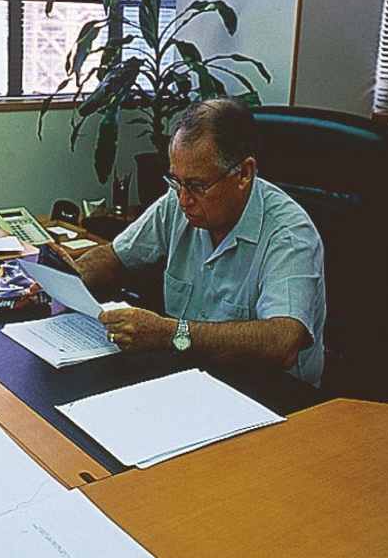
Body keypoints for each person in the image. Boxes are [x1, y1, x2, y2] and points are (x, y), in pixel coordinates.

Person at [54, 97, 327, 388]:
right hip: (192, 376)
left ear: (244, 174)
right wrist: (64, 279)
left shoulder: (289, 234)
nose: (183, 199)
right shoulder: (179, 202)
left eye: (197, 185)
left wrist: (172, 334)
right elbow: (116, 256)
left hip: (271, 395)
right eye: (176, 182)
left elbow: (282, 342)